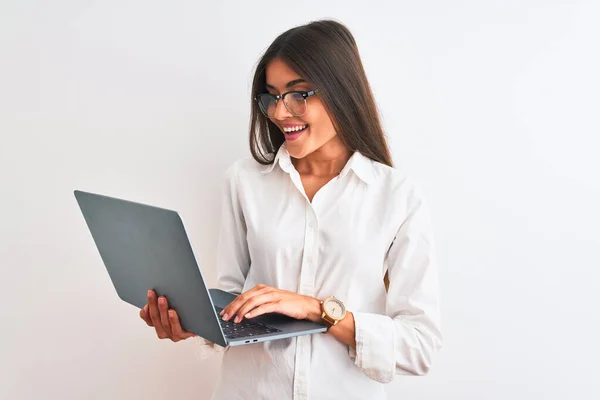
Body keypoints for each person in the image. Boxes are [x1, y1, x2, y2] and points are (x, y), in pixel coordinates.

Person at [139, 19, 442, 400]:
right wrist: (192, 322)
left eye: (298, 94)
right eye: (272, 96)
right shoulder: (244, 181)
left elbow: (420, 344)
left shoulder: (397, 196)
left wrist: (319, 310)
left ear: (341, 91)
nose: (281, 113)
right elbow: (230, 296)